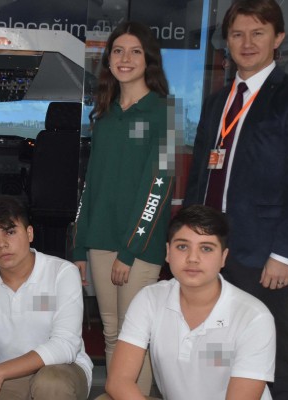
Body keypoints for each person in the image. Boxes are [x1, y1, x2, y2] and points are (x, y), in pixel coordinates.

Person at [184, 1, 288, 397]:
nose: (246, 43)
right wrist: (187, 237)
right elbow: (199, 175)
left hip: (262, 252)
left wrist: (284, 253)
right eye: (237, 34)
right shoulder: (217, 102)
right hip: (208, 247)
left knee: (269, 353)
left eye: (257, 33)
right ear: (227, 42)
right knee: (213, 349)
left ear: (277, 38)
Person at [72, 21, 174, 394]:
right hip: (100, 240)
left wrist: (130, 250)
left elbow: (159, 187)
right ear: (108, 59)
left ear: (149, 60)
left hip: (139, 246)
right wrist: (79, 245)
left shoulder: (165, 112)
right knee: (113, 333)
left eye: (134, 51)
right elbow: (91, 185)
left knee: (135, 338)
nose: (125, 58)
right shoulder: (105, 114)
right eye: (118, 51)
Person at [102, 205, 275, 400]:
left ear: (223, 258)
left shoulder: (253, 317)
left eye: (206, 248)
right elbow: (119, 381)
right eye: (182, 247)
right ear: (168, 252)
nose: (193, 258)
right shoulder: (149, 299)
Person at [0, 195, 93, 400]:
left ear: (29, 233)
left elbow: (65, 344)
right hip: (8, 377)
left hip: (62, 369)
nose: (2, 244)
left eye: (10, 232)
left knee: (51, 383)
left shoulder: (62, 273)